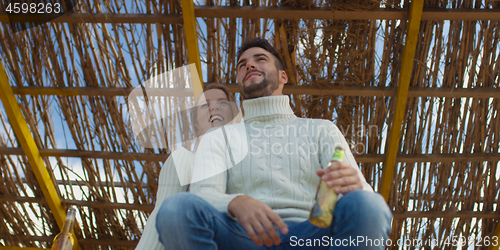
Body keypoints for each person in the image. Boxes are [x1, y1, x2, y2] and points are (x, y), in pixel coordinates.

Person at [156, 38, 392, 249]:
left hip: (314, 235)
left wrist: (355, 186)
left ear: (282, 76)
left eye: (260, 59)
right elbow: (203, 195)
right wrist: (235, 202)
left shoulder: (322, 129)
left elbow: (366, 200)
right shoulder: (219, 137)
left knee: (367, 205)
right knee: (177, 209)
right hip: (243, 237)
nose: (249, 65)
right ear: (239, 81)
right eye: (242, 65)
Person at [135, 83, 241, 250]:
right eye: (205, 105)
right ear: (196, 123)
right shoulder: (184, 159)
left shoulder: (245, 164)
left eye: (222, 103)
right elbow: (160, 219)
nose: (214, 108)